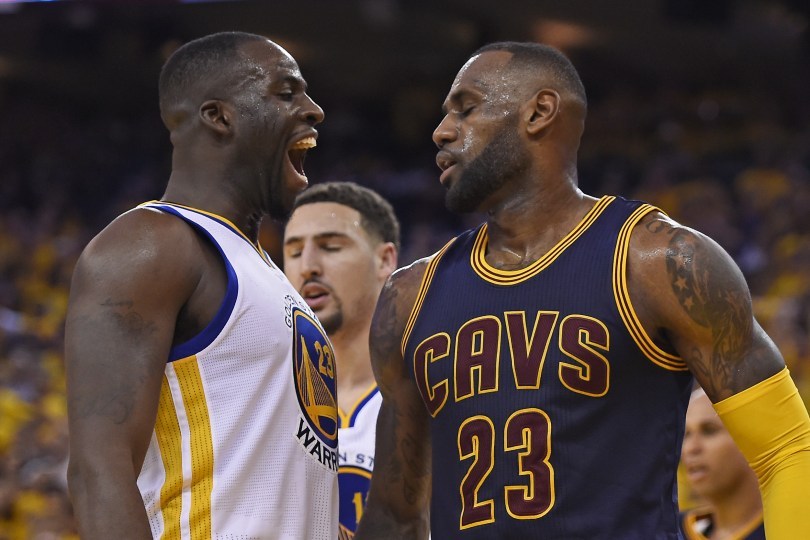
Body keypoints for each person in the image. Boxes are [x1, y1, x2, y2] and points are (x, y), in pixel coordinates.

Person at [355, 41, 810, 539]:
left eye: (466, 109)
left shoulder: (659, 262)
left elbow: (786, 449)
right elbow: (395, 516)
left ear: (539, 112)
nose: (442, 131)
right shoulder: (410, 296)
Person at [64, 31, 339, 539]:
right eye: (286, 92)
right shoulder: (152, 244)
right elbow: (98, 471)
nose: (314, 109)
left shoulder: (265, 272)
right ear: (218, 116)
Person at [283, 181, 400, 536]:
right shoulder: (262, 396)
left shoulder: (432, 391)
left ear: (385, 260)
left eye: (330, 247)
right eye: (293, 252)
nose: (308, 267)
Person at [680, 388, 765, 539]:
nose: (690, 448)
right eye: (686, 434)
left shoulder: (792, 528)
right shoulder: (667, 530)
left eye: (709, 431)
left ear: (755, 438)